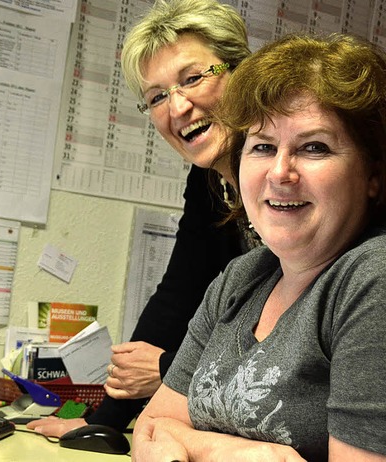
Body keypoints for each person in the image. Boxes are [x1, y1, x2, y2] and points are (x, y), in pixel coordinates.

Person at [132, 33, 386, 462]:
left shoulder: (370, 281)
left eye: (314, 148)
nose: (280, 173)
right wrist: (259, 456)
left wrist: (189, 445)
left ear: (372, 175)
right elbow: (153, 428)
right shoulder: (243, 277)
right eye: (263, 147)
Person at [28, 0, 256, 437]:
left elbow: (294, 334)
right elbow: (178, 297)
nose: (177, 107)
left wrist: (172, 370)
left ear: (240, 72)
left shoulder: (287, 180)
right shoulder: (209, 180)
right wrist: (101, 424)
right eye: (156, 97)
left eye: (192, 79)